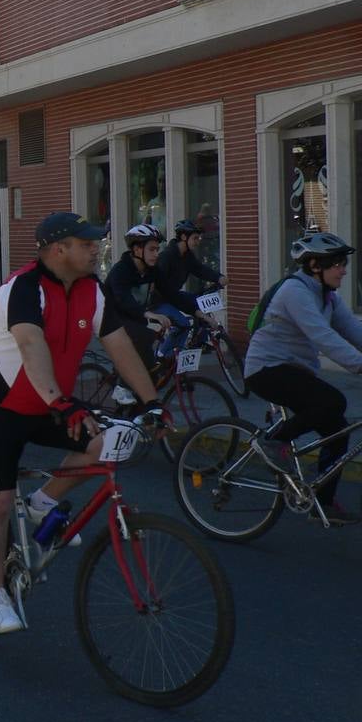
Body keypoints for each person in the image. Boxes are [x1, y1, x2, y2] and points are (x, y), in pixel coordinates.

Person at [0, 212, 166, 634]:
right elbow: (30, 343)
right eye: (87, 243)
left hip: (46, 399)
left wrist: (152, 402)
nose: (96, 249)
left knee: (103, 442)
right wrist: (63, 402)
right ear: (59, 249)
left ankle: (42, 504)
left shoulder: (92, 290)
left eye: (96, 243)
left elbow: (119, 346)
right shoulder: (24, 287)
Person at [245, 232, 362, 524]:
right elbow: (323, 338)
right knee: (333, 401)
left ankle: (322, 502)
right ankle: (272, 441)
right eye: (337, 264)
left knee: (338, 430)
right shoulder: (295, 292)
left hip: (294, 370)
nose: (344, 270)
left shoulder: (328, 298)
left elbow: (354, 332)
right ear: (314, 265)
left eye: (343, 264)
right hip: (266, 369)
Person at [103, 224, 190, 401]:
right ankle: (122, 386)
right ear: (137, 249)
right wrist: (148, 314)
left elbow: (172, 294)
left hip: (134, 318)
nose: (156, 253)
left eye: (158, 249)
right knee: (143, 336)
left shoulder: (152, 271)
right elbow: (123, 300)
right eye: (152, 249)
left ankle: (137, 409)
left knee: (151, 373)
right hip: (110, 319)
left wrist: (198, 313)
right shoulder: (121, 271)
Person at [152, 219, 227, 357]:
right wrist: (198, 313)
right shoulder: (167, 257)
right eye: (195, 238)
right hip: (158, 300)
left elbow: (199, 269)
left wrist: (218, 277)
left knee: (200, 302)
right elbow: (163, 289)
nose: (198, 241)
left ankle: (200, 342)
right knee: (183, 324)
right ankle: (161, 355)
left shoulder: (187, 256)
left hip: (173, 296)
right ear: (183, 237)